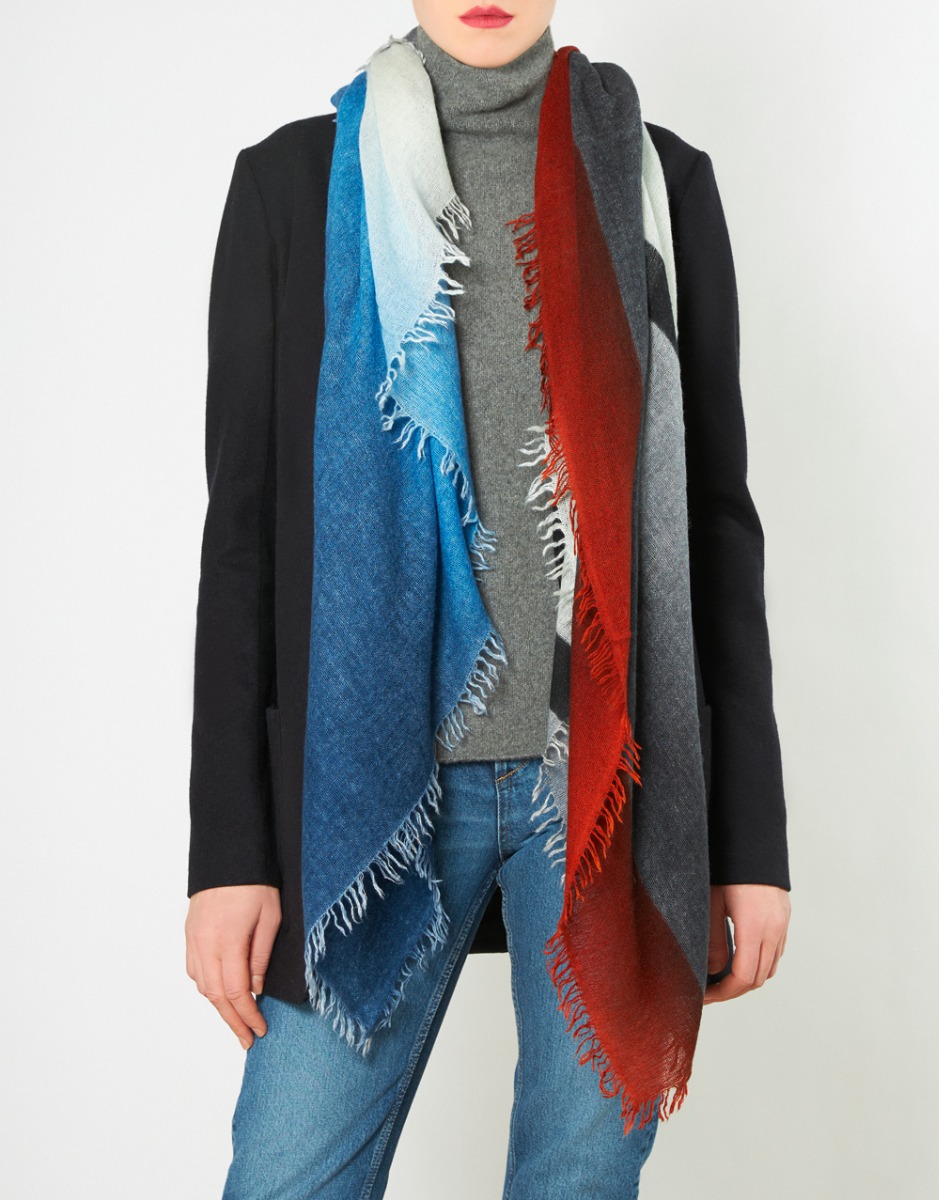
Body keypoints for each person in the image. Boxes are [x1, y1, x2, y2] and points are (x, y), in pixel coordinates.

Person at [184, 2, 792, 1195]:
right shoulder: (291, 186)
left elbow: (715, 522)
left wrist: (749, 842)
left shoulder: (663, 184)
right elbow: (242, 540)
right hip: (372, 792)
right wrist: (229, 853)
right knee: (287, 1175)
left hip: (610, 790)